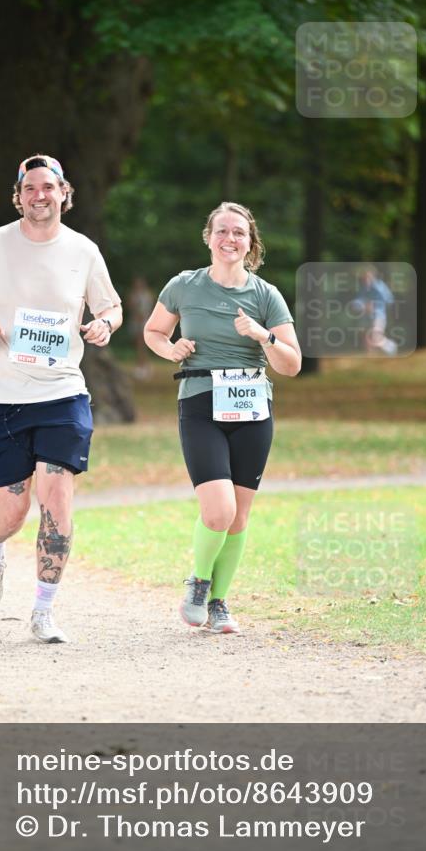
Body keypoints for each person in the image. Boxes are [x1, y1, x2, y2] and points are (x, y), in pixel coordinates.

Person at [0, 153, 122, 645]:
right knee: (13, 511)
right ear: (17, 196)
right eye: (29, 189)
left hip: (62, 391)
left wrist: (104, 323)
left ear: (64, 192)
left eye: (48, 187)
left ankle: (43, 610)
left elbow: (111, 304)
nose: (39, 196)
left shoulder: (83, 251)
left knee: (58, 495)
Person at [144, 202, 301, 635]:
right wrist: (169, 349)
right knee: (218, 511)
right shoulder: (184, 285)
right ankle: (199, 579)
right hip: (200, 402)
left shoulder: (265, 295)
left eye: (238, 233)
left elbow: (291, 364)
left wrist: (262, 335)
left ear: (250, 243)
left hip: (252, 408)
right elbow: (153, 332)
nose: (229, 239)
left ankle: (219, 603)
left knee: (240, 517)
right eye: (222, 231)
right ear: (208, 237)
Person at [350, 265, 397, 355]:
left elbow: (389, 300)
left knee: (375, 337)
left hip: (378, 316)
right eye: (364, 277)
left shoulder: (380, 287)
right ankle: (370, 356)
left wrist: (375, 306)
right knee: (366, 337)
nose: (365, 279)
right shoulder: (363, 288)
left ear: (372, 276)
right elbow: (358, 302)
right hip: (365, 317)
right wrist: (360, 305)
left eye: (367, 276)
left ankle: (391, 347)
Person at [127, 276, 155, 379]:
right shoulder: (133, 295)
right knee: (139, 346)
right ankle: (143, 365)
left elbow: (150, 309)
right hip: (135, 322)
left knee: (141, 345)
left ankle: (143, 367)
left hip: (144, 322)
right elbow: (130, 306)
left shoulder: (147, 295)